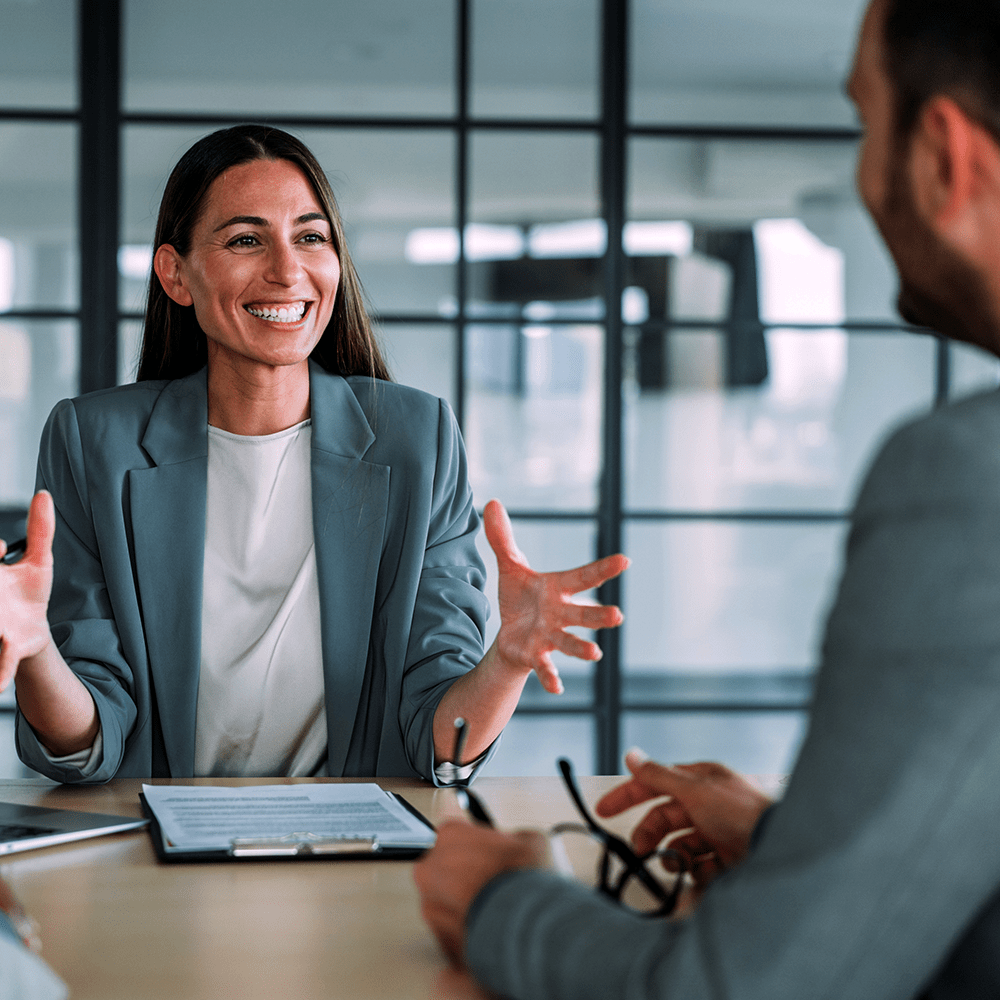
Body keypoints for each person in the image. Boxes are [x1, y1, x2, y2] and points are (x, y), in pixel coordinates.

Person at [413, 0, 1000, 995]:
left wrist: (498, 904)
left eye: (866, 125)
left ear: (944, 153)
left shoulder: (966, 478)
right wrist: (794, 844)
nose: (862, 179)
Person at [0, 124, 628, 783]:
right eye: (246, 239)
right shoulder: (93, 441)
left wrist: (506, 660)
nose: (287, 269)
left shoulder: (418, 439)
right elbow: (89, 742)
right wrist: (38, 647)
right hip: (153, 844)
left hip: (351, 847)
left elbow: (435, 739)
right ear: (175, 274)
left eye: (310, 236)